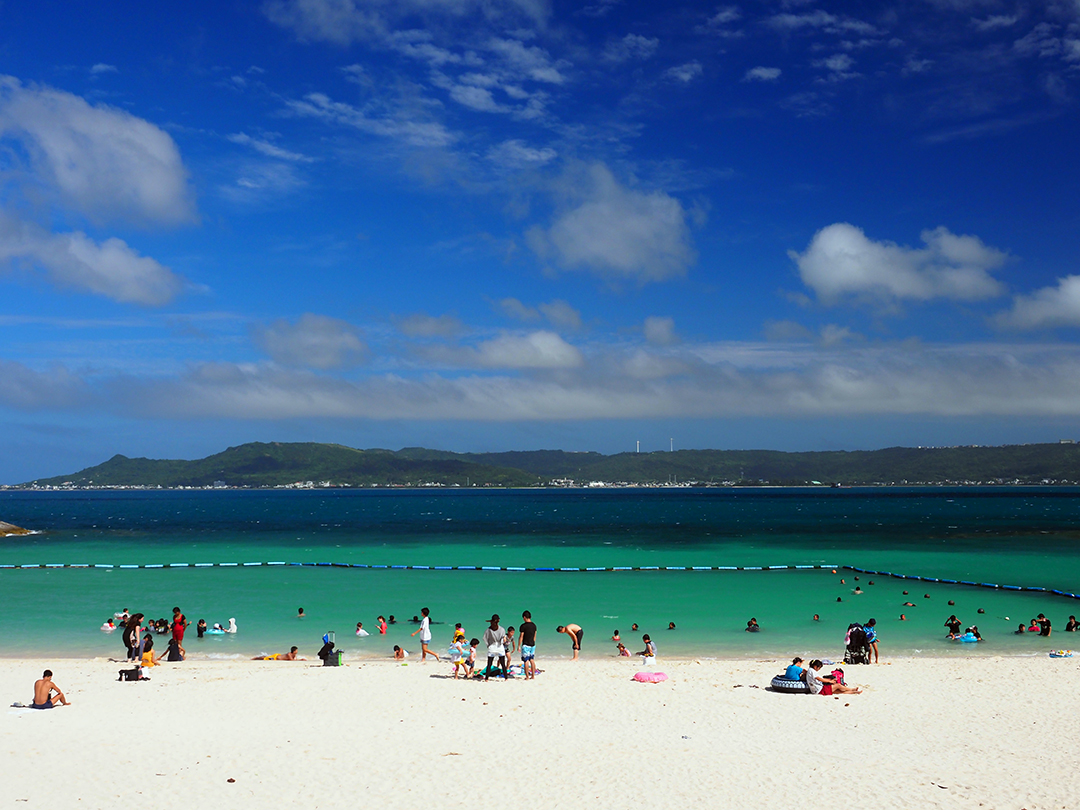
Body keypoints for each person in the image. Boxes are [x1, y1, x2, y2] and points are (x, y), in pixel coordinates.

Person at [482, 614, 507, 681]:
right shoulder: (501, 629)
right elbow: (503, 638)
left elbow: (484, 638)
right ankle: (506, 678)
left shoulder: (489, 629)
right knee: (501, 663)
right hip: (497, 646)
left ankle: (487, 678)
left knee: (491, 663)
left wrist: (488, 645)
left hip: (494, 646)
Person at [519, 610, 537, 680]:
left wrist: (518, 645)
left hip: (526, 645)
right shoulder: (534, 625)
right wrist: (533, 642)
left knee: (526, 661)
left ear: (524, 617)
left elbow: (521, 636)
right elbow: (535, 636)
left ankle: (527, 677)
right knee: (532, 660)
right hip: (532, 644)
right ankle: (533, 676)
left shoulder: (523, 626)